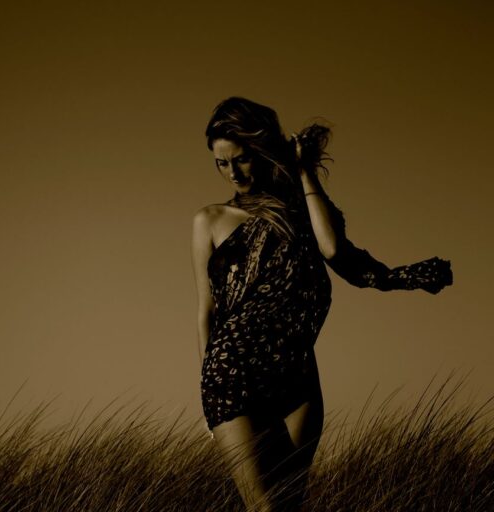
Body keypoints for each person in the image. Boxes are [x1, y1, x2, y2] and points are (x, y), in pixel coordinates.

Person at [190, 97, 453, 512]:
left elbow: (332, 248)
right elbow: (207, 311)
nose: (233, 173)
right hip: (233, 369)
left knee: (291, 503)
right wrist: (206, 391)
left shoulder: (300, 210)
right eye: (221, 164)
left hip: (296, 369)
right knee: (265, 508)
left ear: (262, 150)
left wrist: (303, 170)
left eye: (241, 159)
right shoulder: (208, 220)